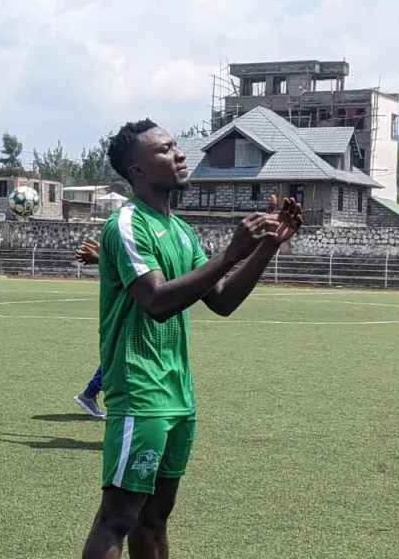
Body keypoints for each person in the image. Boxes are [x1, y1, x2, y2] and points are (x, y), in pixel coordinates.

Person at [81, 119, 301, 559]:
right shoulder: (126, 224)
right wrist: (230, 253)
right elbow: (156, 302)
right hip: (141, 392)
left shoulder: (181, 230)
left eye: (176, 146)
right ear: (137, 170)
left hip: (179, 394)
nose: (179, 154)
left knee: (155, 518)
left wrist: (266, 248)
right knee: (118, 517)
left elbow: (220, 300)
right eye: (164, 150)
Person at [73, 239, 105, 419]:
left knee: (116, 360)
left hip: (124, 315)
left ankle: (90, 394)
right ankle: (90, 394)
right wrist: (103, 259)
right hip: (120, 317)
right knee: (117, 360)